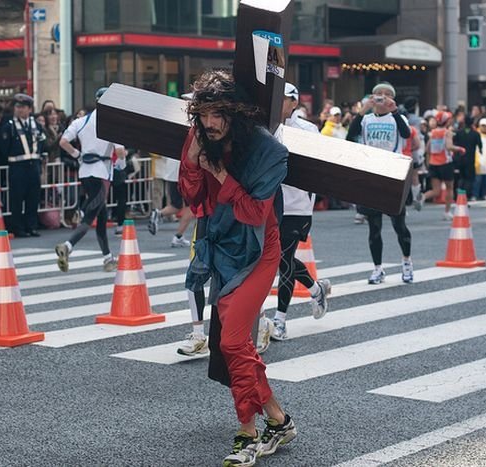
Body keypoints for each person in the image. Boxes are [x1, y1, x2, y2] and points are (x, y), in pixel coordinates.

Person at [179, 70, 295, 466]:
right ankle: (278, 420)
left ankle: (247, 432)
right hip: (222, 250)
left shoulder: (265, 151)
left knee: (230, 343)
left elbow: (252, 213)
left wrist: (219, 173)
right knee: (236, 344)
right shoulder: (198, 138)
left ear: (236, 114)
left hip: (259, 251)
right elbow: (193, 198)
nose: (209, 123)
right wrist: (194, 164)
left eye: (217, 115)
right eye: (204, 114)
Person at [268, 82, 331, 342]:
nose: (279, 103)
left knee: (283, 261)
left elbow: (316, 166)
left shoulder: (307, 130)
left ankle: (280, 320)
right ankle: (316, 289)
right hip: (271, 203)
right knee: (276, 258)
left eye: (284, 99)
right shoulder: (268, 128)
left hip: (298, 206)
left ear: (294, 103)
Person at [346, 82, 414, 284]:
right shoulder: (366, 119)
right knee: (373, 227)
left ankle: (407, 262)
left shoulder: (398, 118)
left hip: (393, 175)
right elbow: (351, 136)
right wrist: (362, 110)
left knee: (399, 225)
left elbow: (406, 134)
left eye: (386, 95)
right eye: (378, 94)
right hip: (372, 175)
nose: (382, 98)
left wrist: (394, 111)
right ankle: (377, 268)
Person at [55, 87, 124, 273]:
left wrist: (78, 155)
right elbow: (119, 151)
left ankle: (108, 258)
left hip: (85, 171)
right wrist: (122, 164)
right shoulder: (112, 124)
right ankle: (67, 246)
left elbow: (63, 142)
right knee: (91, 216)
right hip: (102, 172)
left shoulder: (82, 120)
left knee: (101, 216)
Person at [0, 93, 46, 238]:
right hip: (17, 166)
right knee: (17, 198)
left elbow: (42, 143)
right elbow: (3, 147)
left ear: (30, 109)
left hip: (33, 165)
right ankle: (18, 227)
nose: (19, 110)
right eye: (17, 107)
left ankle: (31, 226)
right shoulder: (9, 126)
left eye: (23, 107)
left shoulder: (36, 125)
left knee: (33, 197)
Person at [421, 111, 465, 220]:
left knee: (436, 190)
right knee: (449, 188)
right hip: (445, 163)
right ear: (447, 121)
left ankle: (422, 197)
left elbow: (427, 149)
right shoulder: (447, 132)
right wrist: (460, 149)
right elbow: (449, 146)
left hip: (433, 163)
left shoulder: (433, 132)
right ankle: (447, 212)